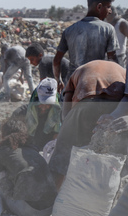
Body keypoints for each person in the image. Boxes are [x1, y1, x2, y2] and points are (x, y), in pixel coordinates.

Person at [48, 60, 125, 189]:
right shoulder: (123, 71)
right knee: (110, 156)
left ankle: (52, 194)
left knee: (62, 154)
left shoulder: (78, 71)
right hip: (116, 107)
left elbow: (67, 102)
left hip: (87, 102)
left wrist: (67, 127)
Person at [0, 118, 58, 216]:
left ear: (4, 134)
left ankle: (17, 210)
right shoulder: (32, 150)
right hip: (48, 210)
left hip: (28, 211)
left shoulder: (3, 150)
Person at [53, 0, 118, 91]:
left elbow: (56, 60)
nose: (110, 11)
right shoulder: (108, 29)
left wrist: (58, 80)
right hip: (95, 85)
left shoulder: (69, 30)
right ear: (99, 7)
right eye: (108, 7)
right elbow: (112, 59)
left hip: (72, 84)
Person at [11, 78, 62, 151]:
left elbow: (58, 138)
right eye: (41, 103)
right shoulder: (20, 113)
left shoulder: (58, 116)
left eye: (48, 104)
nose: (44, 108)